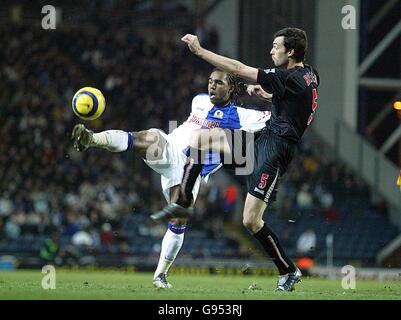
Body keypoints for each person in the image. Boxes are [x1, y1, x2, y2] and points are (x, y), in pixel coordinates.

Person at [153, 27, 320, 292]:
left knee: (251, 221)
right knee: (200, 138)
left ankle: (288, 270)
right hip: (265, 136)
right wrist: (269, 95)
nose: (271, 50)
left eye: (276, 47)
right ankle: (183, 200)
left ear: (290, 52)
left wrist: (199, 51)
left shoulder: (288, 77)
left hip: (275, 149)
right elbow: (297, 100)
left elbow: (237, 67)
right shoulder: (309, 73)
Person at [72, 68, 271, 289]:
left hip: (189, 173)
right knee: (148, 138)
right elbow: (218, 93)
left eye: (219, 83)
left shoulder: (246, 117)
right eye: (210, 81)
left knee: (178, 219)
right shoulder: (200, 101)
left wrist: (265, 94)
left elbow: (277, 118)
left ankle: (160, 275)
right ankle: (91, 138)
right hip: (171, 150)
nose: (212, 86)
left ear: (231, 88)